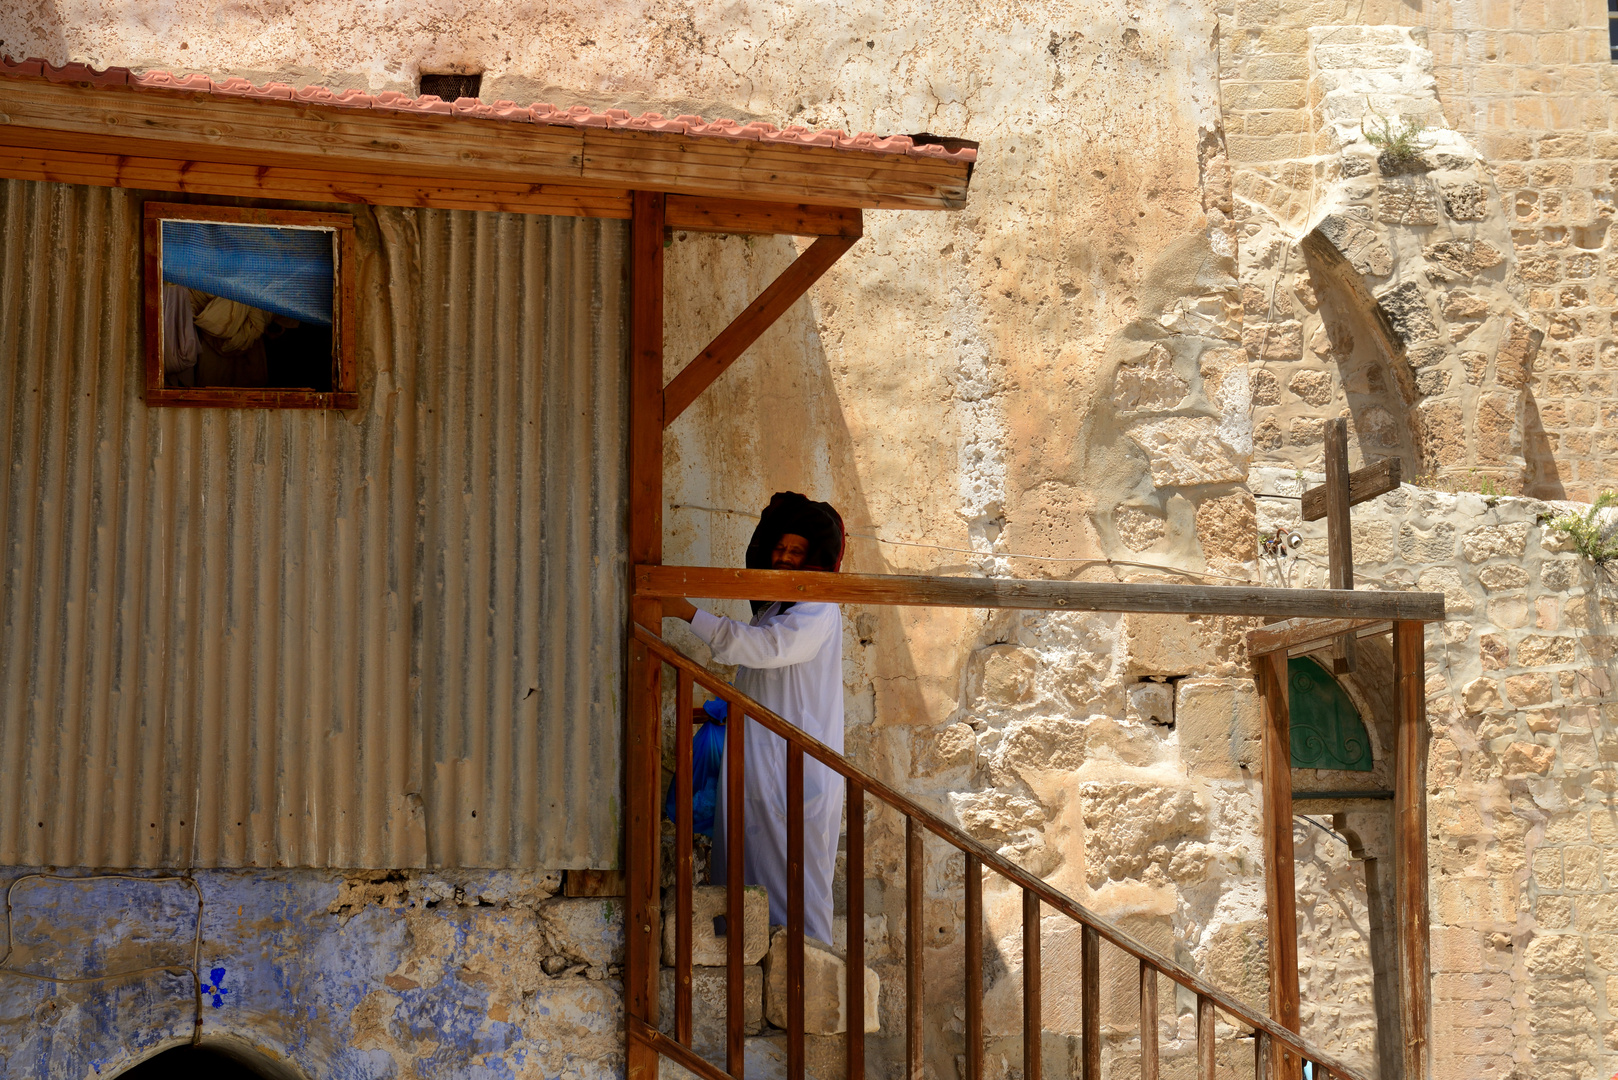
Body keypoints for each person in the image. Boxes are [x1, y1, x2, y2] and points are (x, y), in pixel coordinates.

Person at [665, 491, 846, 944]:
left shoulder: (818, 607)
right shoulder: (773, 610)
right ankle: (749, 977)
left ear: (813, 561)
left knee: (796, 889)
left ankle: (807, 984)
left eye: (796, 551)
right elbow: (759, 679)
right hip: (758, 767)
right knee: (745, 879)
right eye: (780, 549)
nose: (784, 558)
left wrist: (687, 612)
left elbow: (767, 650)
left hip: (797, 774)